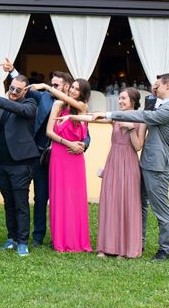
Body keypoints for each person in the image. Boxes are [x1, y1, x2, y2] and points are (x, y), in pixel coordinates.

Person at [93, 73, 169, 261]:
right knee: (140, 205)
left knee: (160, 209)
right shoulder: (159, 103)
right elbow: (147, 109)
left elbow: (142, 116)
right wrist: (153, 95)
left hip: (157, 165)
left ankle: (164, 249)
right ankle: (136, 242)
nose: (155, 87)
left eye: (158, 85)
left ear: (167, 86)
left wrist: (110, 114)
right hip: (145, 162)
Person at [2, 59, 87, 247]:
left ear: (66, 87)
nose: (51, 87)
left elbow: (86, 132)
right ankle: (37, 237)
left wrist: (82, 144)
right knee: (39, 197)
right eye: (51, 83)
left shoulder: (75, 106)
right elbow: (25, 88)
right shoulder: (45, 98)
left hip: (64, 156)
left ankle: (62, 235)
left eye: (55, 85)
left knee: (59, 197)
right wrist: (13, 71)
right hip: (39, 153)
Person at [61, 87, 146, 258]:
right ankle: (106, 247)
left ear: (133, 101)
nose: (120, 101)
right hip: (113, 161)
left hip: (129, 164)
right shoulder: (115, 116)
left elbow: (138, 146)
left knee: (126, 203)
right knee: (110, 202)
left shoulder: (141, 120)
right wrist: (72, 116)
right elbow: (93, 118)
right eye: (120, 98)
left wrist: (130, 128)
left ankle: (124, 248)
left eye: (124, 98)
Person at [0, 75, 38, 256]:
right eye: (11, 88)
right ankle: (12, 238)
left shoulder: (30, 104)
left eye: (18, 90)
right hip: (2, 163)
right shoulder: (5, 105)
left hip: (21, 164)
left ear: (26, 91)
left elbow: (20, 110)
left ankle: (22, 242)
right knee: (8, 203)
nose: (13, 92)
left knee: (20, 203)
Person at [45, 78, 93, 253]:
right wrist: (68, 143)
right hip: (59, 154)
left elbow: (84, 133)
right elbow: (49, 132)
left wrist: (45, 86)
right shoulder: (58, 104)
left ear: (83, 94)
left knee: (76, 197)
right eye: (72, 87)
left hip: (76, 158)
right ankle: (60, 239)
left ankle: (77, 240)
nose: (73, 91)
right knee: (60, 197)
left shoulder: (82, 108)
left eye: (77, 89)